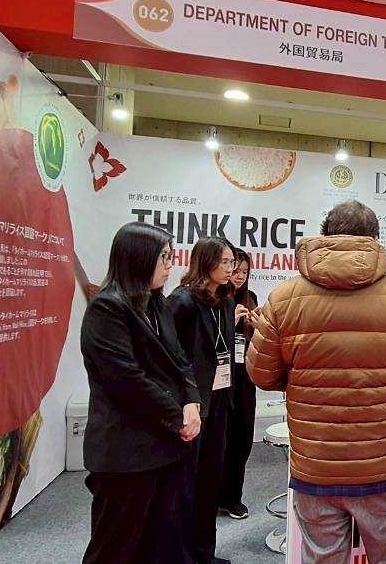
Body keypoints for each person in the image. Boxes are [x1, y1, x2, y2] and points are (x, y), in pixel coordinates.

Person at [247, 200, 386, 564]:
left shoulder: (283, 299)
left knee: (323, 557)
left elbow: (261, 373)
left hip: (315, 464)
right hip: (381, 464)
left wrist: (303, 379)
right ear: (375, 239)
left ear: (324, 235)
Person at [80, 222, 201, 564]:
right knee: (116, 547)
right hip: (126, 452)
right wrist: (177, 415)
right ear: (138, 257)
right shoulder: (107, 309)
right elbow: (126, 380)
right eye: (164, 257)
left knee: (158, 544)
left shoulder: (157, 303)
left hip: (164, 446)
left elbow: (180, 360)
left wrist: (192, 401)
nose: (170, 265)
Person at [168, 237, 238, 564]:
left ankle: (204, 553)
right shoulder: (182, 301)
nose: (231, 268)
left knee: (211, 477)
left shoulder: (225, 300)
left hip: (220, 399)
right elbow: (171, 356)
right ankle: (182, 555)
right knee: (187, 483)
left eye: (232, 262)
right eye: (225, 262)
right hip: (193, 404)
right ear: (205, 261)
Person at [220, 247, 259, 520]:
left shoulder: (250, 297)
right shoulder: (215, 299)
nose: (240, 276)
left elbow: (256, 341)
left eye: (245, 272)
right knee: (219, 440)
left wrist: (257, 324)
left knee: (242, 438)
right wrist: (229, 321)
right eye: (236, 270)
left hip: (244, 377)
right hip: (220, 378)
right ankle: (211, 497)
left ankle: (233, 497)